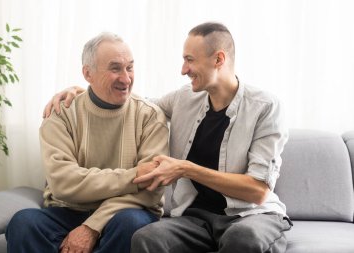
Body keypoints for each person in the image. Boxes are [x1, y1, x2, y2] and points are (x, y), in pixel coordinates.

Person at [44, 22, 292, 253]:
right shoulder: (184, 99)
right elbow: (130, 103)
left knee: (242, 238)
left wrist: (186, 169)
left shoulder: (265, 107)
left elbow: (258, 191)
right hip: (196, 219)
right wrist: (82, 92)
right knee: (147, 238)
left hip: (252, 216)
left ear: (219, 59)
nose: (183, 70)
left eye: (189, 60)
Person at [6, 32, 169, 253]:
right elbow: (63, 183)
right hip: (68, 211)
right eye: (115, 68)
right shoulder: (60, 114)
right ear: (87, 73)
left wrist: (92, 226)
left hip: (125, 213)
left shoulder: (150, 116)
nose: (126, 78)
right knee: (23, 223)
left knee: (131, 224)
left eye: (130, 67)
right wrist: (134, 176)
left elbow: (152, 188)